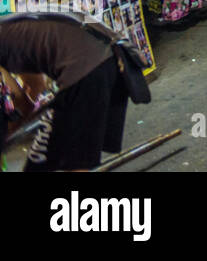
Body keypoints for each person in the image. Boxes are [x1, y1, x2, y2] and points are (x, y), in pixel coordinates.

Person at [0, 12, 150, 171]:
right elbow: (36, 87)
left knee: (58, 162)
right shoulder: (13, 24)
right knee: (74, 158)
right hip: (111, 58)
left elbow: (21, 98)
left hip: (86, 69)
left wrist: (10, 135)